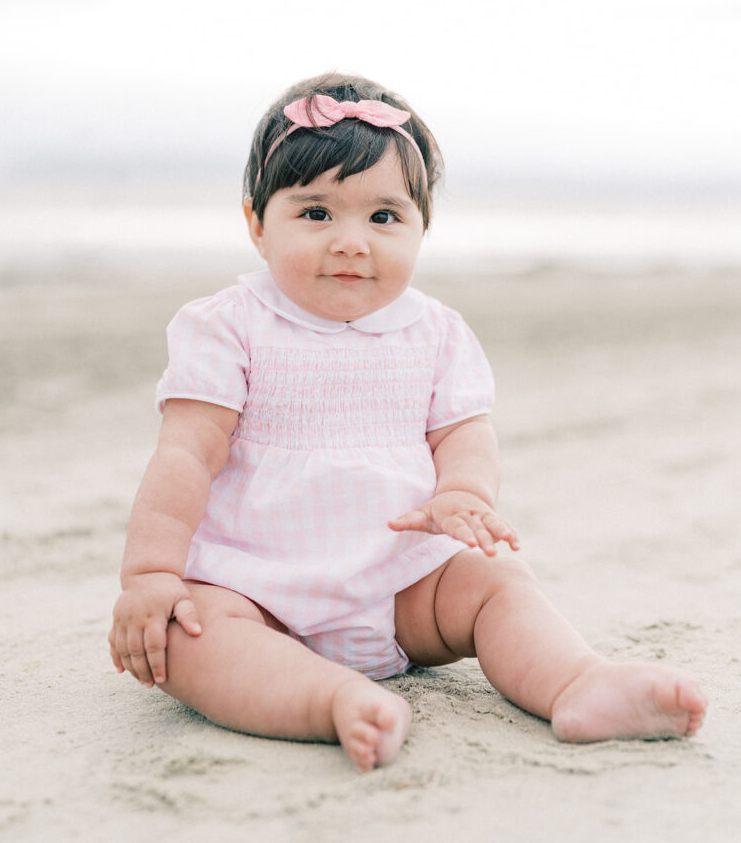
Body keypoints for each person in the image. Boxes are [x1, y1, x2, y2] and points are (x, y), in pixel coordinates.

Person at [109, 73, 707, 772]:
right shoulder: (225, 327)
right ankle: (326, 698)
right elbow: (186, 453)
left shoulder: (436, 332)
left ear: (422, 228)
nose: (350, 243)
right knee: (188, 641)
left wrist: (463, 494)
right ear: (256, 225)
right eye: (315, 214)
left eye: (383, 218)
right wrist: (150, 575)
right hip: (255, 587)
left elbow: (463, 434)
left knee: (497, 582)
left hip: (402, 588)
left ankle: (575, 682)